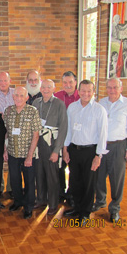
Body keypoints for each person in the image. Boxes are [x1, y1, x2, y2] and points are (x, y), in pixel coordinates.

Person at [62, 80, 108, 226]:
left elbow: (103, 134)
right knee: (75, 181)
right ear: (78, 90)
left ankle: (85, 212)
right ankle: (77, 207)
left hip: (90, 151)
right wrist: (65, 149)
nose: (86, 94)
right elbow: (68, 130)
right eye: (83, 90)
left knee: (89, 183)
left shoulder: (99, 110)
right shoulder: (72, 107)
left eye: (89, 91)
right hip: (74, 150)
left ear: (93, 92)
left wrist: (98, 155)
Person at [93, 78, 127, 223]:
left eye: (115, 87)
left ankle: (115, 208)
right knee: (99, 176)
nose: (112, 90)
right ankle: (100, 201)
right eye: (109, 87)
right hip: (102, 145)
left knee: (116, 179)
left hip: (119, 146)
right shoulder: (101, 103)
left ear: (121, 88)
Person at [3, 87, 41, 219]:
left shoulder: (33, 111)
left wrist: (30, 156)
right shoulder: (8, 111)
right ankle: (18, 201)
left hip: (27, 154)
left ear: (26, 97)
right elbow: (6, 133)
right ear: (13, 97)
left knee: (29, 182)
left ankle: (29, 206)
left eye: (21, 95)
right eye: (16, 95)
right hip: (13, 153)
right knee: (15, 180)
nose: (18, 98)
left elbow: (36, 135)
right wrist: (5, 150)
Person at [32, 79, 67, 215]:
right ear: (40, 88)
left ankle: (53, 203)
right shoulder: (36, 103)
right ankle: (41, 199)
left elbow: (63, 128)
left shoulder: (59, 104)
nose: (45, 89)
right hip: (37, 141)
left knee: (52, 175)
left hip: (51, 142)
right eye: (43, 87)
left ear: (54, 88)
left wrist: (56, 151)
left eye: (49, 87)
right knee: (39, 173)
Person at [54, 71, 80, 204]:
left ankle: (72, 195)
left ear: (75, 82)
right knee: (60, 167)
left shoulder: (83, 96)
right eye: (65, 82)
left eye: (70, 82)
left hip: (76, 138)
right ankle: (60, 192)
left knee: (74, 169)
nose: (68, 85)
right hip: (60, 138)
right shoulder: (57, 96)